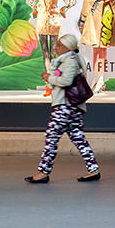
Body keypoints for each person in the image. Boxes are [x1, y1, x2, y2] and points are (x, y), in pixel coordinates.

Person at [26, 33, 100, 183]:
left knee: (51, 137)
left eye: (59, 45)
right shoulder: (70, 60)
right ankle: (93, 170)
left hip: (65, 106)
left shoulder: (69, 61)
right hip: (74, 107)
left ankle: (43, 173)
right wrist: (50, 78)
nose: (57, 47)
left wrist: (49, 78)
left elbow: (66, 81)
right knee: (78, 138)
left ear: (67, 47)